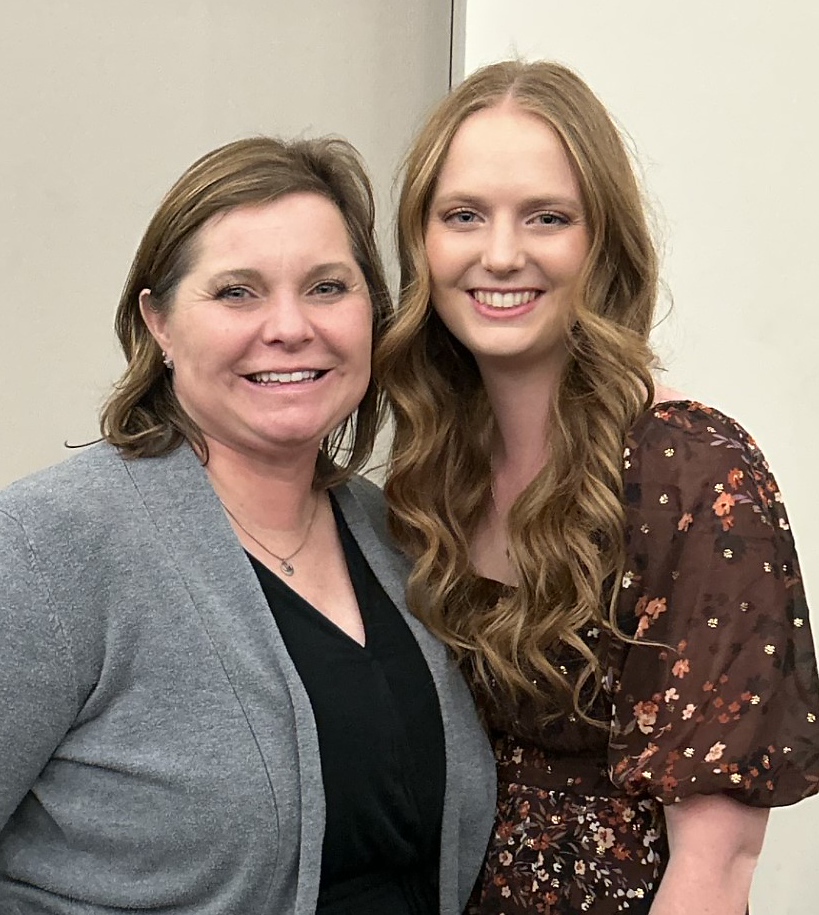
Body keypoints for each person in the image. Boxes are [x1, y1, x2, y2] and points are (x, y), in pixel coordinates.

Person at [0, 135, 496, 915]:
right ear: (158, 323)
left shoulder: (398, 536)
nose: (290, 327)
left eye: (328, 287)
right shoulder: (47, 546)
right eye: (238, 292)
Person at [377, 60, 819, 915]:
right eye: (463, 215)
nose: (500, 253)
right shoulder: (432, 468)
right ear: (421, 241)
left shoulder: (693, 469)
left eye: (546, 217)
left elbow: (716, 866)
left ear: (600, 241)